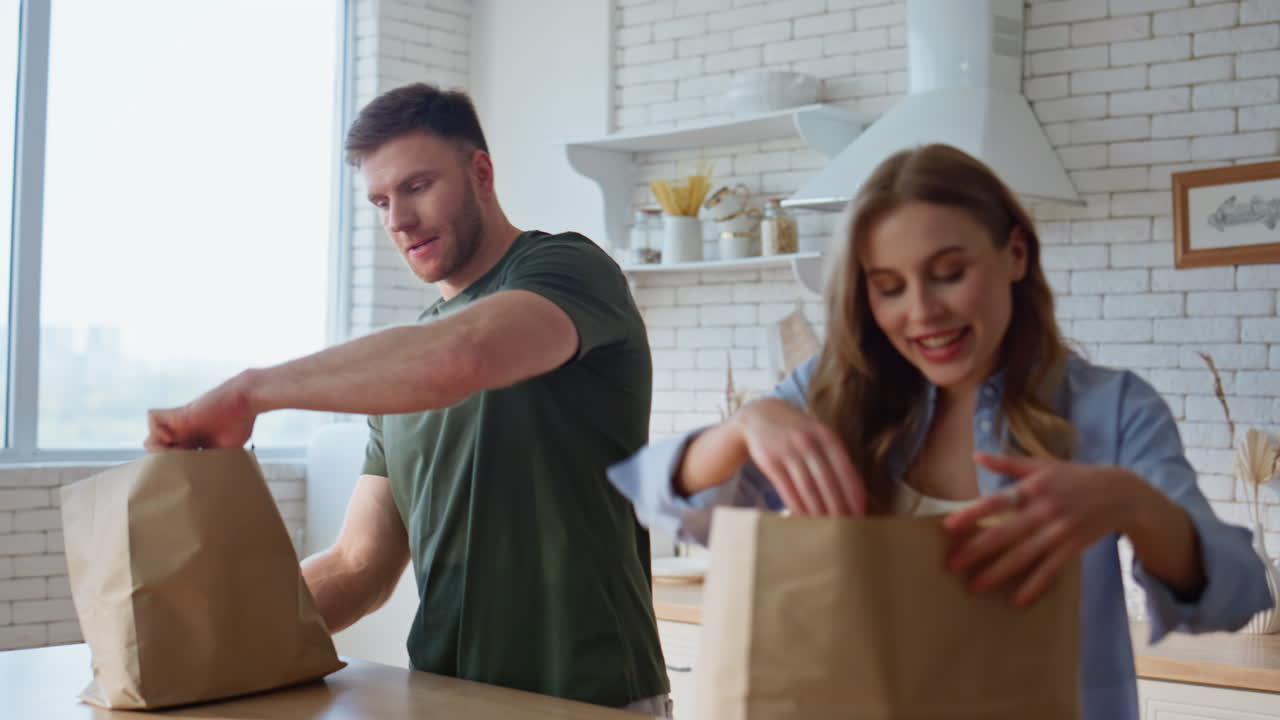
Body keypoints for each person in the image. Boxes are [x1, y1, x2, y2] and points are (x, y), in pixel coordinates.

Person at [607, 143, 1272, 719]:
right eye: (889, 286)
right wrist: (743, 427)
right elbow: (659, 500)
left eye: (950, 274)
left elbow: (1237, 595)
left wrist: (1132, 501)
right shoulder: (830, 392)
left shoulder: (1113, 409)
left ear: (1015, 252)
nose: (922, 312)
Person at [144, 83, 670, 716]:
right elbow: (358, 566)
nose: (398, 219)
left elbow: (465, 355)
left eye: (417, 187)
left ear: (480, 173)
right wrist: (210, 640)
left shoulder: (570, 271)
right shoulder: (402, 368)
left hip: (592, 699)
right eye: (381, 200)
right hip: (445, 698)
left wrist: (251, 391)